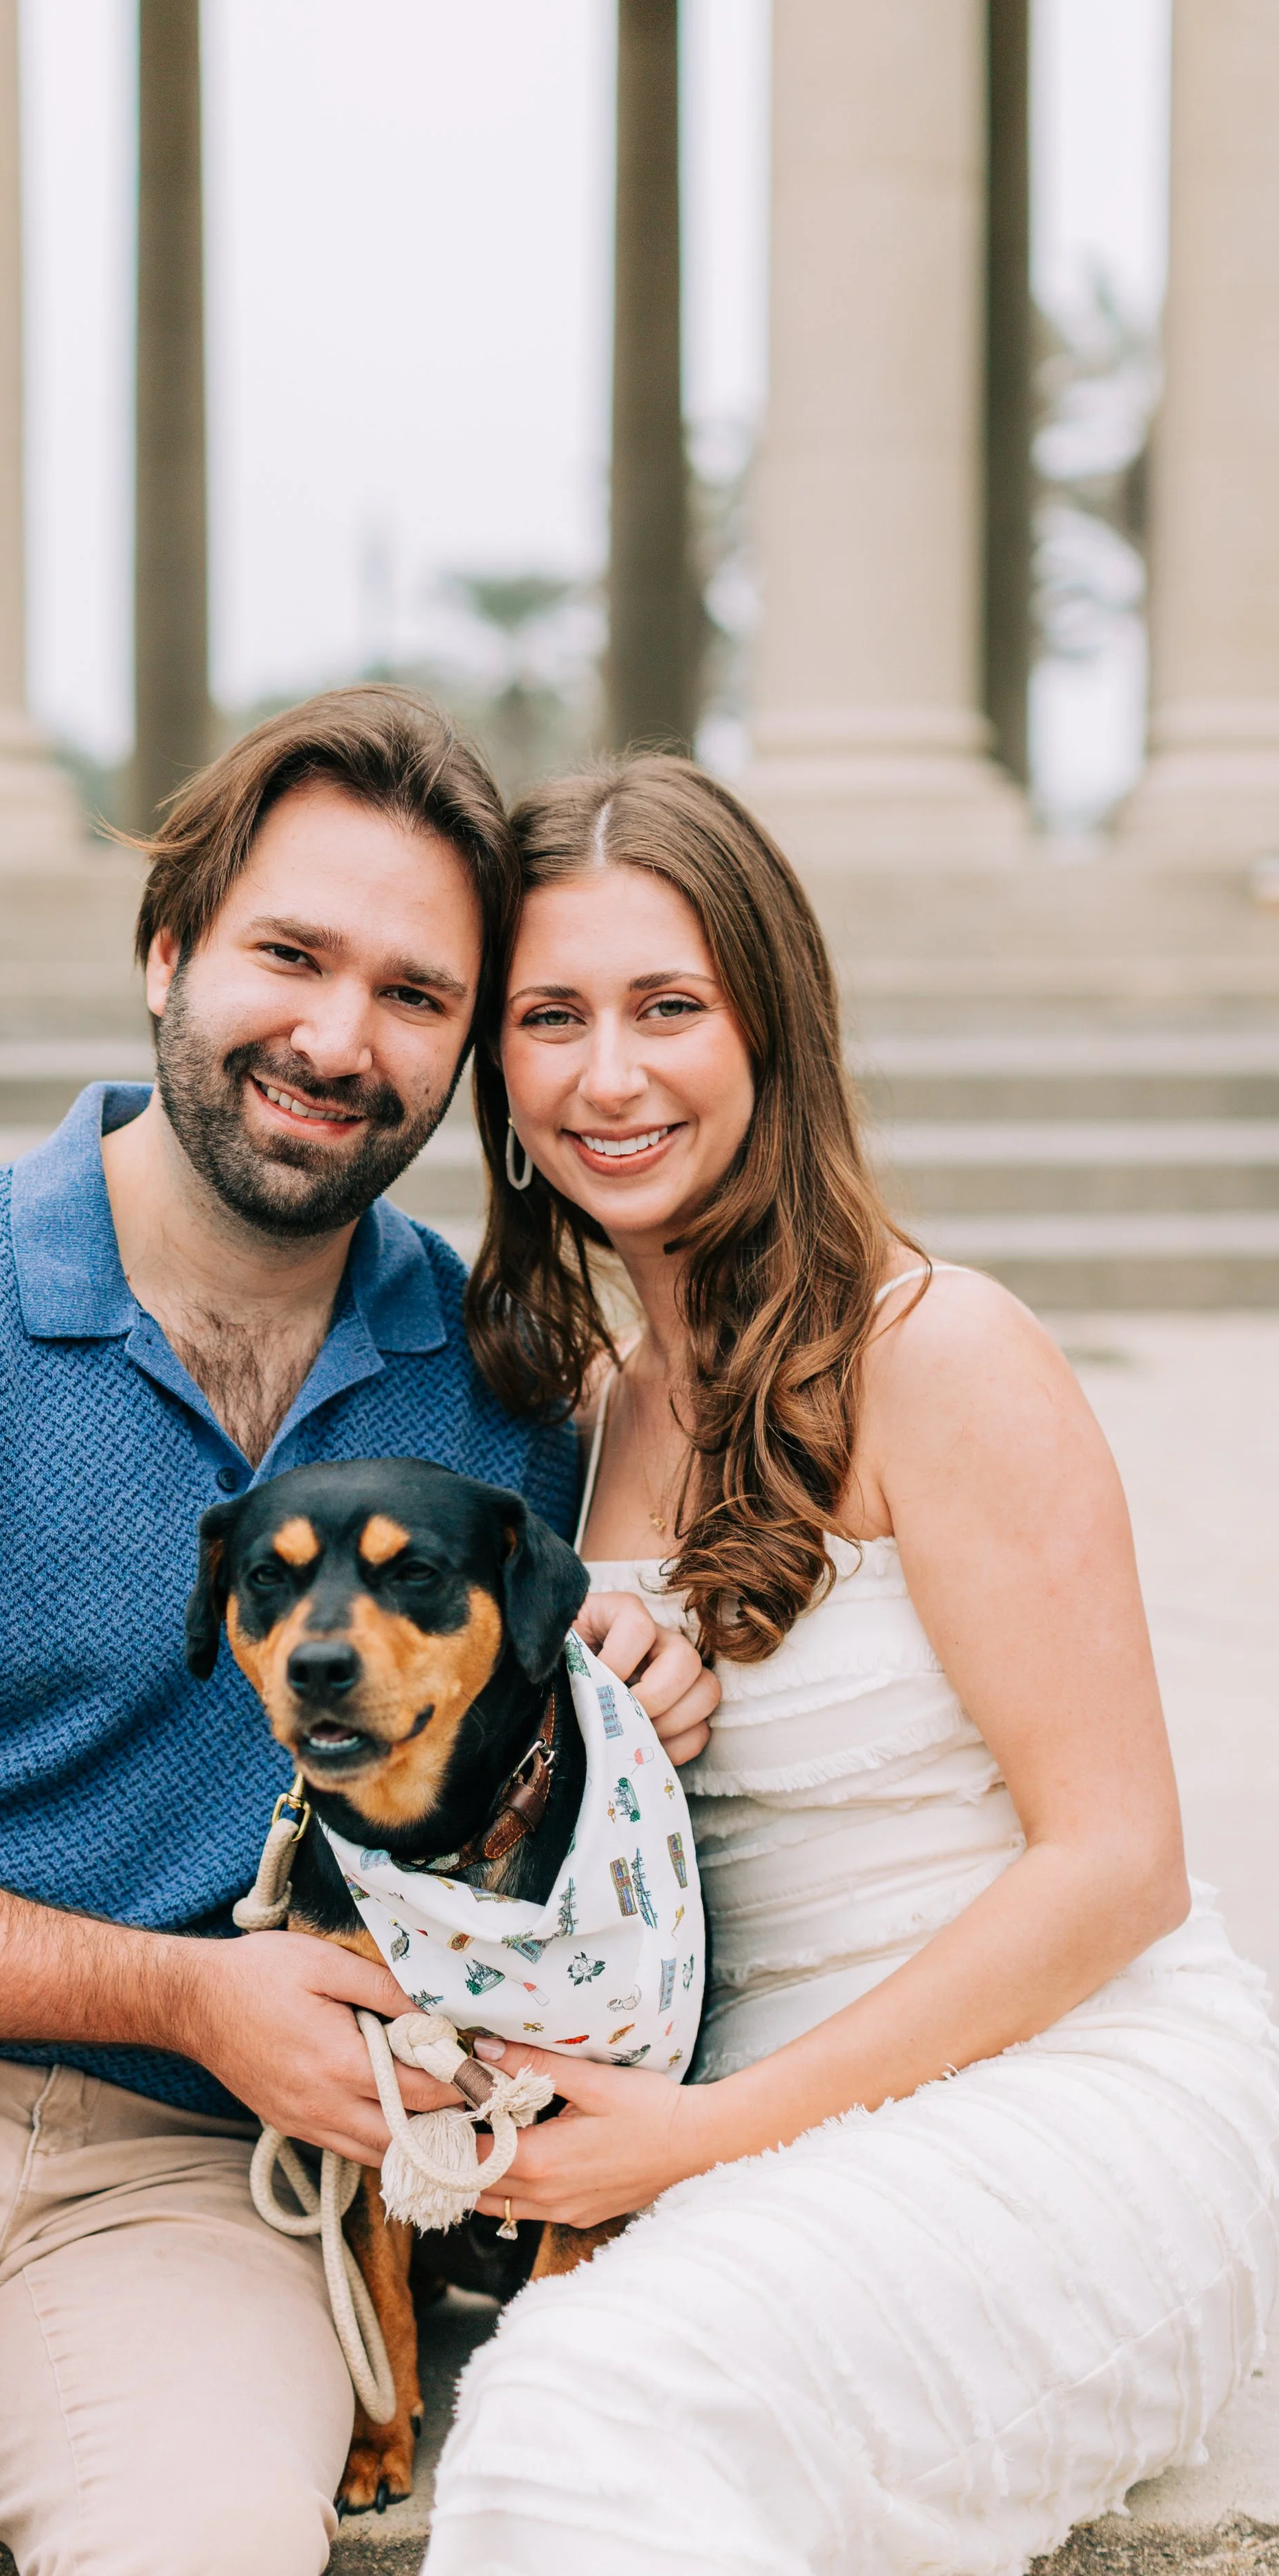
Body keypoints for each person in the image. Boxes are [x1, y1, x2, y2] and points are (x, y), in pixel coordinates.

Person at [0, 690, 716, 2576]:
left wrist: (650, 1656)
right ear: (166, 951)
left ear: (464, 1056)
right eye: (289, 954)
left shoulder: (504, 1389)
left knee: (203, 2543)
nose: (337, 1039)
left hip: (202, 2168)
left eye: (414, 995)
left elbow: (584, 1706)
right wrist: (178, 1988)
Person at [423, 754, 1279, 2576]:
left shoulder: (939, 1350)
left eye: (669, 1006)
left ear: (772, 1030)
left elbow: (1112, 1863)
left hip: (1062, 2099)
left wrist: (700, 2137)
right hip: (751, 2125)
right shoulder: (576, 1413)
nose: (609, 1073)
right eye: (549, 1016)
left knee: (582, 2417)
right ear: (496, 1074)